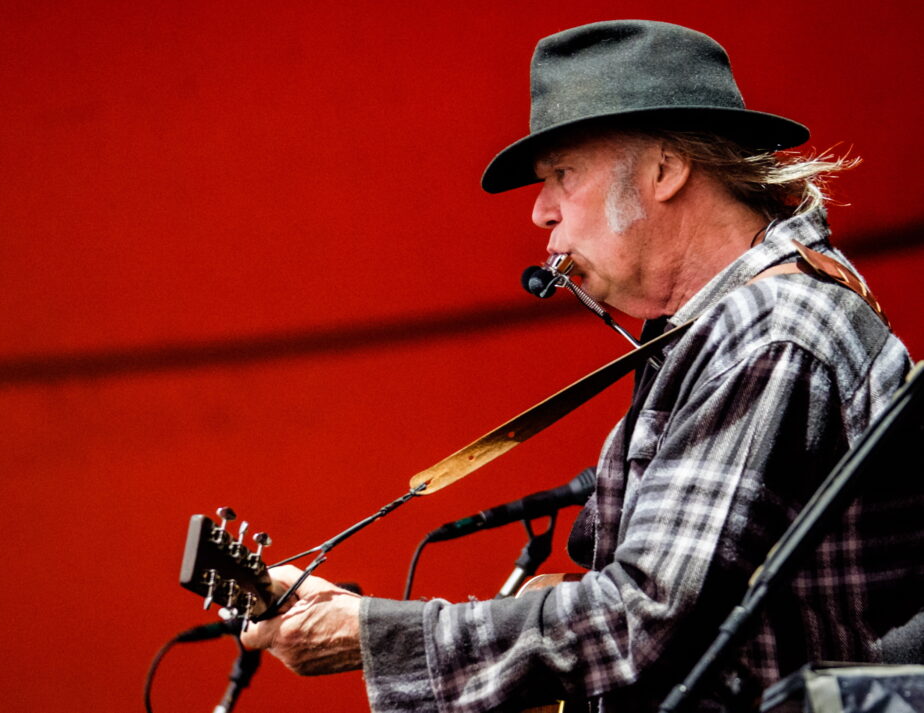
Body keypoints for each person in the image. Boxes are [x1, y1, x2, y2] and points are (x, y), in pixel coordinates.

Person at [240, 20, 921, 712]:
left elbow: (642, 618)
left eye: (564, 173)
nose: (540, 211)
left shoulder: (772, 328)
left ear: (664, 168)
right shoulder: (719, 329)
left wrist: (375, 635)